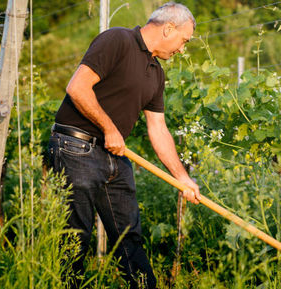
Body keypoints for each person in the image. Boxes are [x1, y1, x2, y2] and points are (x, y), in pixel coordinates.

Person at [47, 2, 199, 288]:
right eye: (183, 40)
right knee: (74, 237)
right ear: (168, 29)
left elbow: (158, 128)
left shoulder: (156, 73)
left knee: (129, 236)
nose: (182, 49)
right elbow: (77, 87)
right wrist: (109, 128)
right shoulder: (117, 39)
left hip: (114, 157)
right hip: (75, 146)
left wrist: (182, 178)